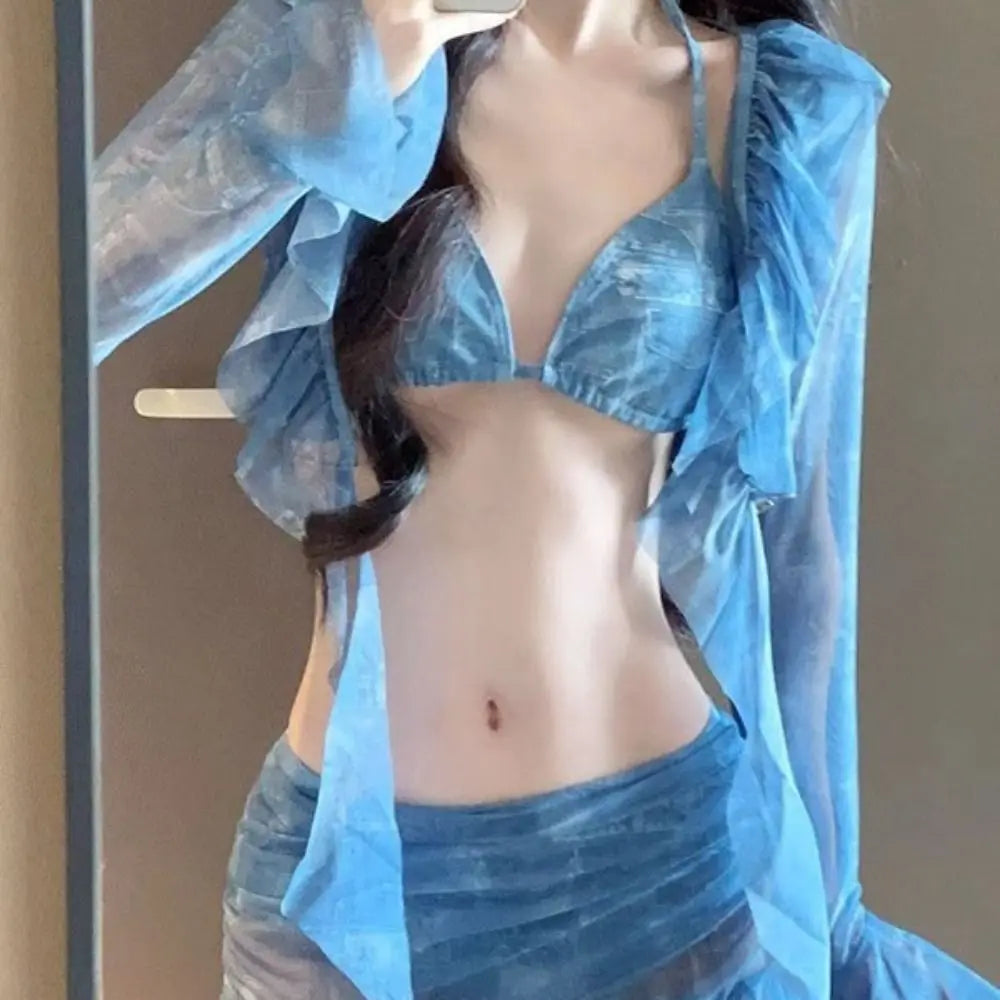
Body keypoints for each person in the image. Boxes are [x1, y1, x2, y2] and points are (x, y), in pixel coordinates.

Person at [90, 0, 999, 997]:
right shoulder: (347, 35)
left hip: (659, 873)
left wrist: (827, 912)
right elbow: (68, 295)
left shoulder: (779, 109)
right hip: (345, 884)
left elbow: (802, 551)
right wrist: (343, 89)